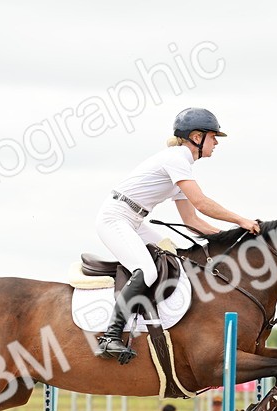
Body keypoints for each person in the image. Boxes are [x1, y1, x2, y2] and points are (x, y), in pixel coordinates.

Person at [94, 108, 262, 363]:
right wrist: (241, 220)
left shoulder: (181, 167)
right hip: (115, 218)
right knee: (147, 272)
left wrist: (234, 237)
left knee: (173, 256)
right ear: (196, 137)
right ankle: (110, 336)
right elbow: (202, 203)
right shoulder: (177, 158)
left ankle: (149, 321)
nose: (216, 142)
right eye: (213, 136)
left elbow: (192, 220)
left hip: (134, 220)